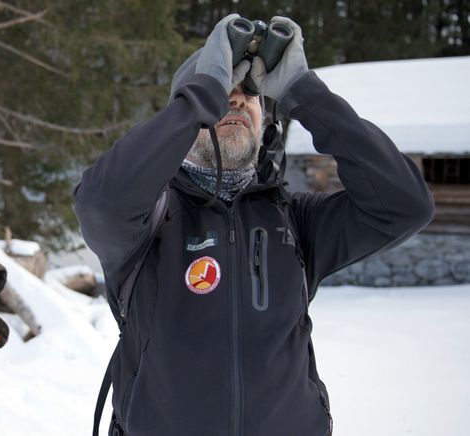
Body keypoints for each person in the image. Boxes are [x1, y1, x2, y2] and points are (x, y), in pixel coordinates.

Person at [74, 14, 434, 436]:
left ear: (267, 124)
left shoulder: (296, 220)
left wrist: (306, 94)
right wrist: (202, 91)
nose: (237, 100)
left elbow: (406, 206)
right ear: (183, 118)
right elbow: (99, 204)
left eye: (250, 93)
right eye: (220, 91)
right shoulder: (145, 221)